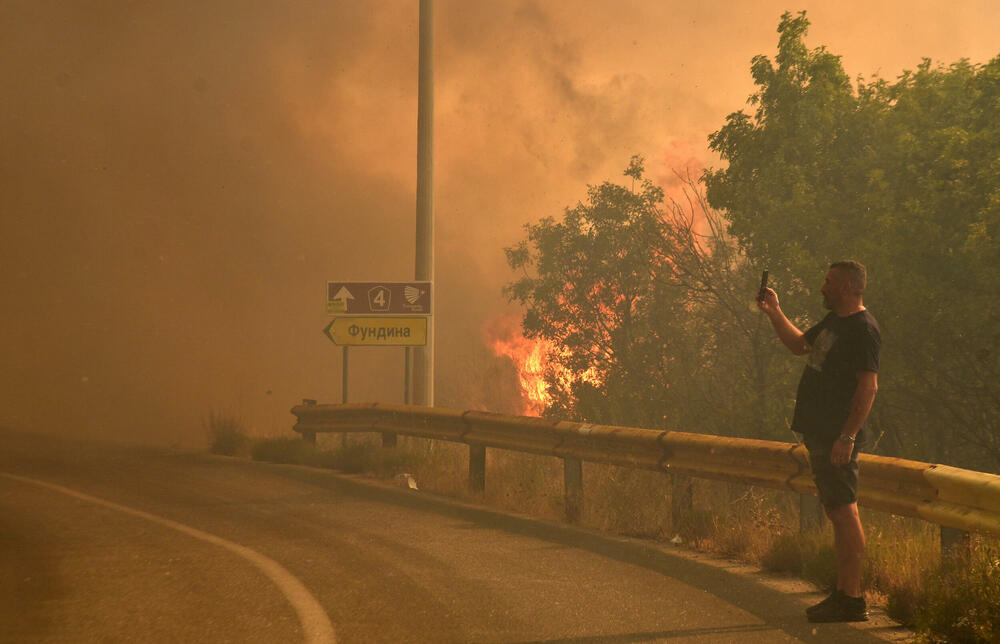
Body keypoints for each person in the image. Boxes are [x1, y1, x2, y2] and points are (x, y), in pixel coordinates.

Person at [758, 260, 880, 623]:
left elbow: (868, 386)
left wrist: (847, 436)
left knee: (844, 513)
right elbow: (799, 346)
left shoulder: (862, 329)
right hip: (822, 434)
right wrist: (774, 311)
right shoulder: (835, 323)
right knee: (838, 511)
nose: (822, 287)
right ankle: (843, 593)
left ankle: (851, 598)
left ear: (846, 287)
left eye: (828, 282)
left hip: (836, 436)